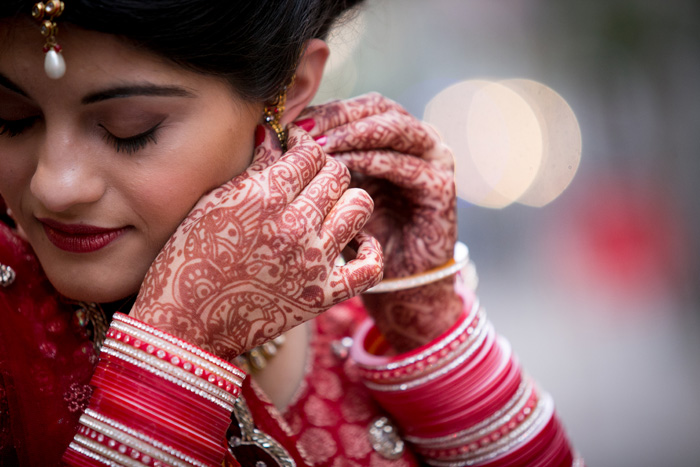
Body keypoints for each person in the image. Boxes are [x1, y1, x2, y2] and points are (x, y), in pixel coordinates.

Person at [0, 1, 582, 465]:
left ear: (289, 89)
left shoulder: (332, 289)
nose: (55, 185)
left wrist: (427, 319)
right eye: (12, 120)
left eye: (130, 129)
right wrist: (176, 349)